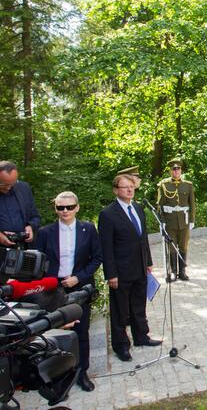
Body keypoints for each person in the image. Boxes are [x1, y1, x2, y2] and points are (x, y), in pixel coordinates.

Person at [35, 191, 102, 392]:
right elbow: (39, 261)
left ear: (77, 207)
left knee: (81, 331)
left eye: (70, 207)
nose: (65, 211)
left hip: (79, 287)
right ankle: (56, 376)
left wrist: (78, 277)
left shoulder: (88, 229)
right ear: (55, 208)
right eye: (61, 207)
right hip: (53, 289)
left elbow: (97, 258)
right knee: (54, 332)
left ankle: (82, 373)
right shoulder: (46, 232)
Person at [99, 174, 161, 362]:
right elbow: (106, 247)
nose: (129, 190)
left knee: (138, 306)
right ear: (116, 190)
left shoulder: (138, 209)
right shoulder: (108, 214)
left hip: (140, 268)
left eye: (132, 186)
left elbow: (143, 240)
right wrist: (111, 274)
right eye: (125, 187)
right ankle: (121, 346)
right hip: (120, 271)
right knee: (119, 311)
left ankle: (141, 336)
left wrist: (148, 262)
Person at [157, 158, 196, 281]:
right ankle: (173, 272)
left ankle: (182, 271)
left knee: (183, 246)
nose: (176, 171)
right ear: (170, 171)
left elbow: (192, 204)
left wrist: (192, 220)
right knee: (172, 247)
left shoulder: (188, 185)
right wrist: (162, 221)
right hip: (170, 222)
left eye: (178, 169)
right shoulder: (164, 185)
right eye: (174, 169)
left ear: (181, 170)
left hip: (184, 222)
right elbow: (160, 205)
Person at [0, 160, 40, 248]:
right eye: (4, 184)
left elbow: (35, 216)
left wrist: (30, 226)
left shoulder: (24, 188)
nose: (9, 187)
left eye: (13, 183)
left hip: (23, 247)